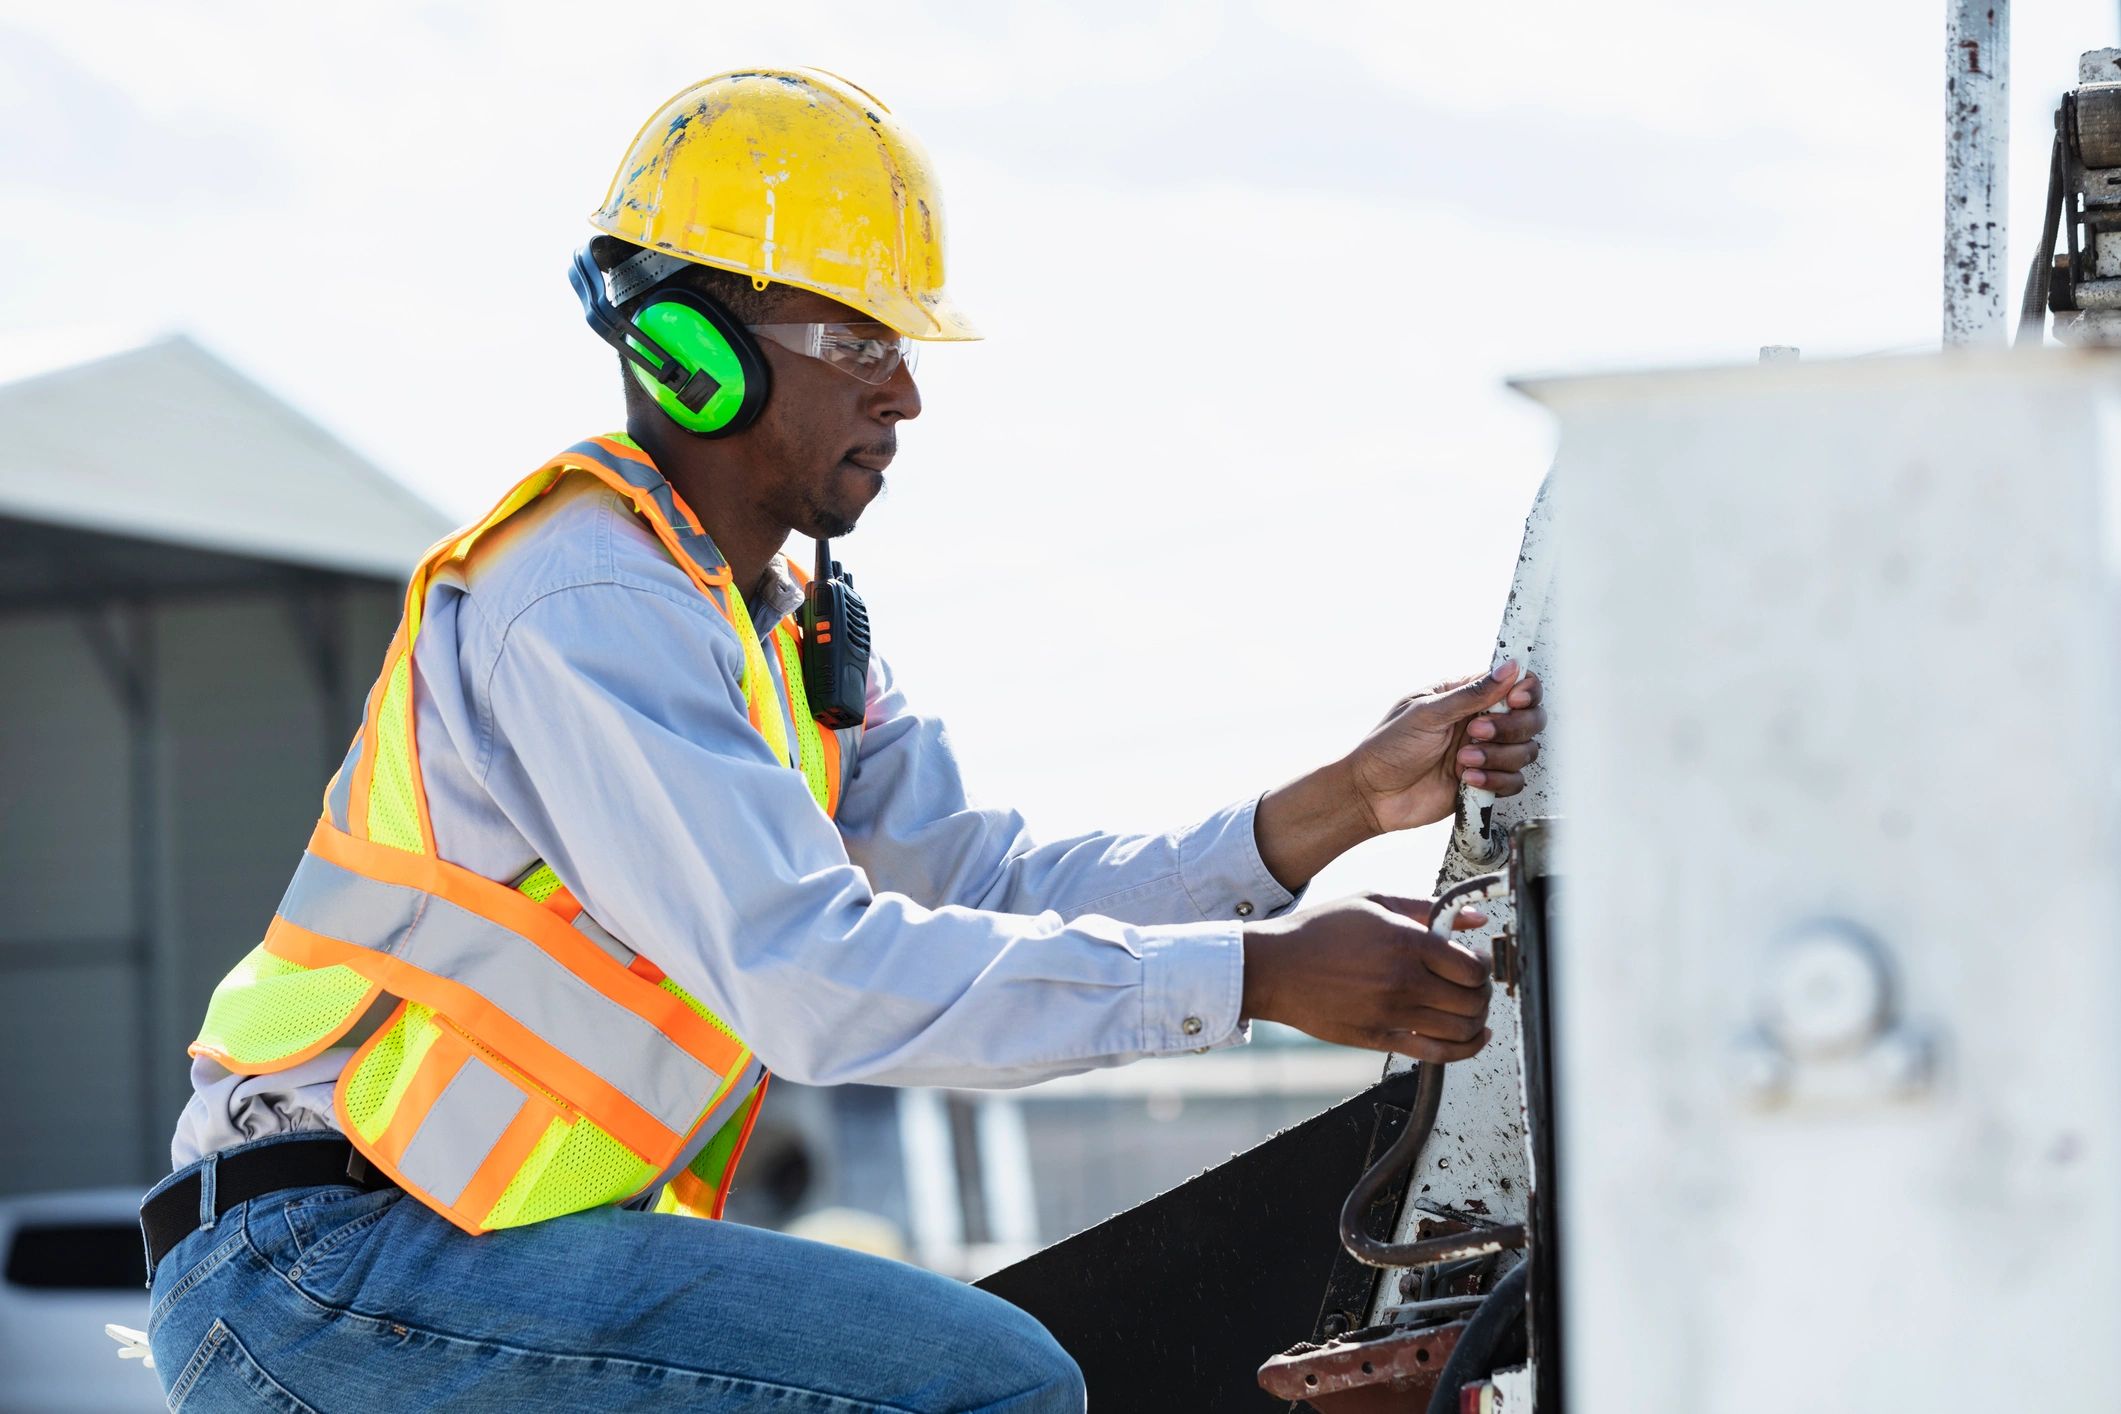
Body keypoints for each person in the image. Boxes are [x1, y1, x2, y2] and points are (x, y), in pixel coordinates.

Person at [138, 68, 1546, 1412]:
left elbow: (976, 891)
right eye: (858, 341)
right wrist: (1254, 976)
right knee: (988, 1380)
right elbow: (812, 979)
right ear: (691, 349)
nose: (904, 393)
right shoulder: (580, 602)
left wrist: (1333, 807)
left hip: (438, 1265)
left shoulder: (784, 638)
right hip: (327, 1269)